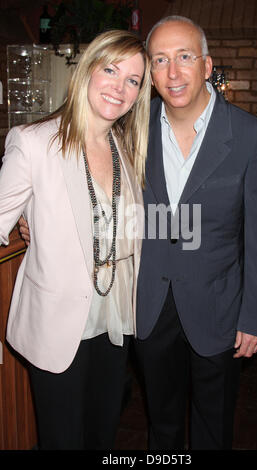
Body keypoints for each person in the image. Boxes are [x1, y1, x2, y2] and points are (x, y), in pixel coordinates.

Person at [134, 16, 257, 450]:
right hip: (150, 303)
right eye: (160, 60)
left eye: (184, 57)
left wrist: (256, 315)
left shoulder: (251, 136)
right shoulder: (132, 128)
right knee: (161, 422)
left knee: (213, 424)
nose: (173, 72)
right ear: (150, 70)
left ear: (206, 65)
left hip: (219, 307)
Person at [0, 30, 151, 450]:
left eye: (134, 80)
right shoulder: (33, 143)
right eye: (111, 70)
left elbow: (125, 228)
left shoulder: (126, 146)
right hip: (56, 325)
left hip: (115, 320)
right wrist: (23, 226)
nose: (119, 87)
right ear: (88, 71)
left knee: (103, 434)